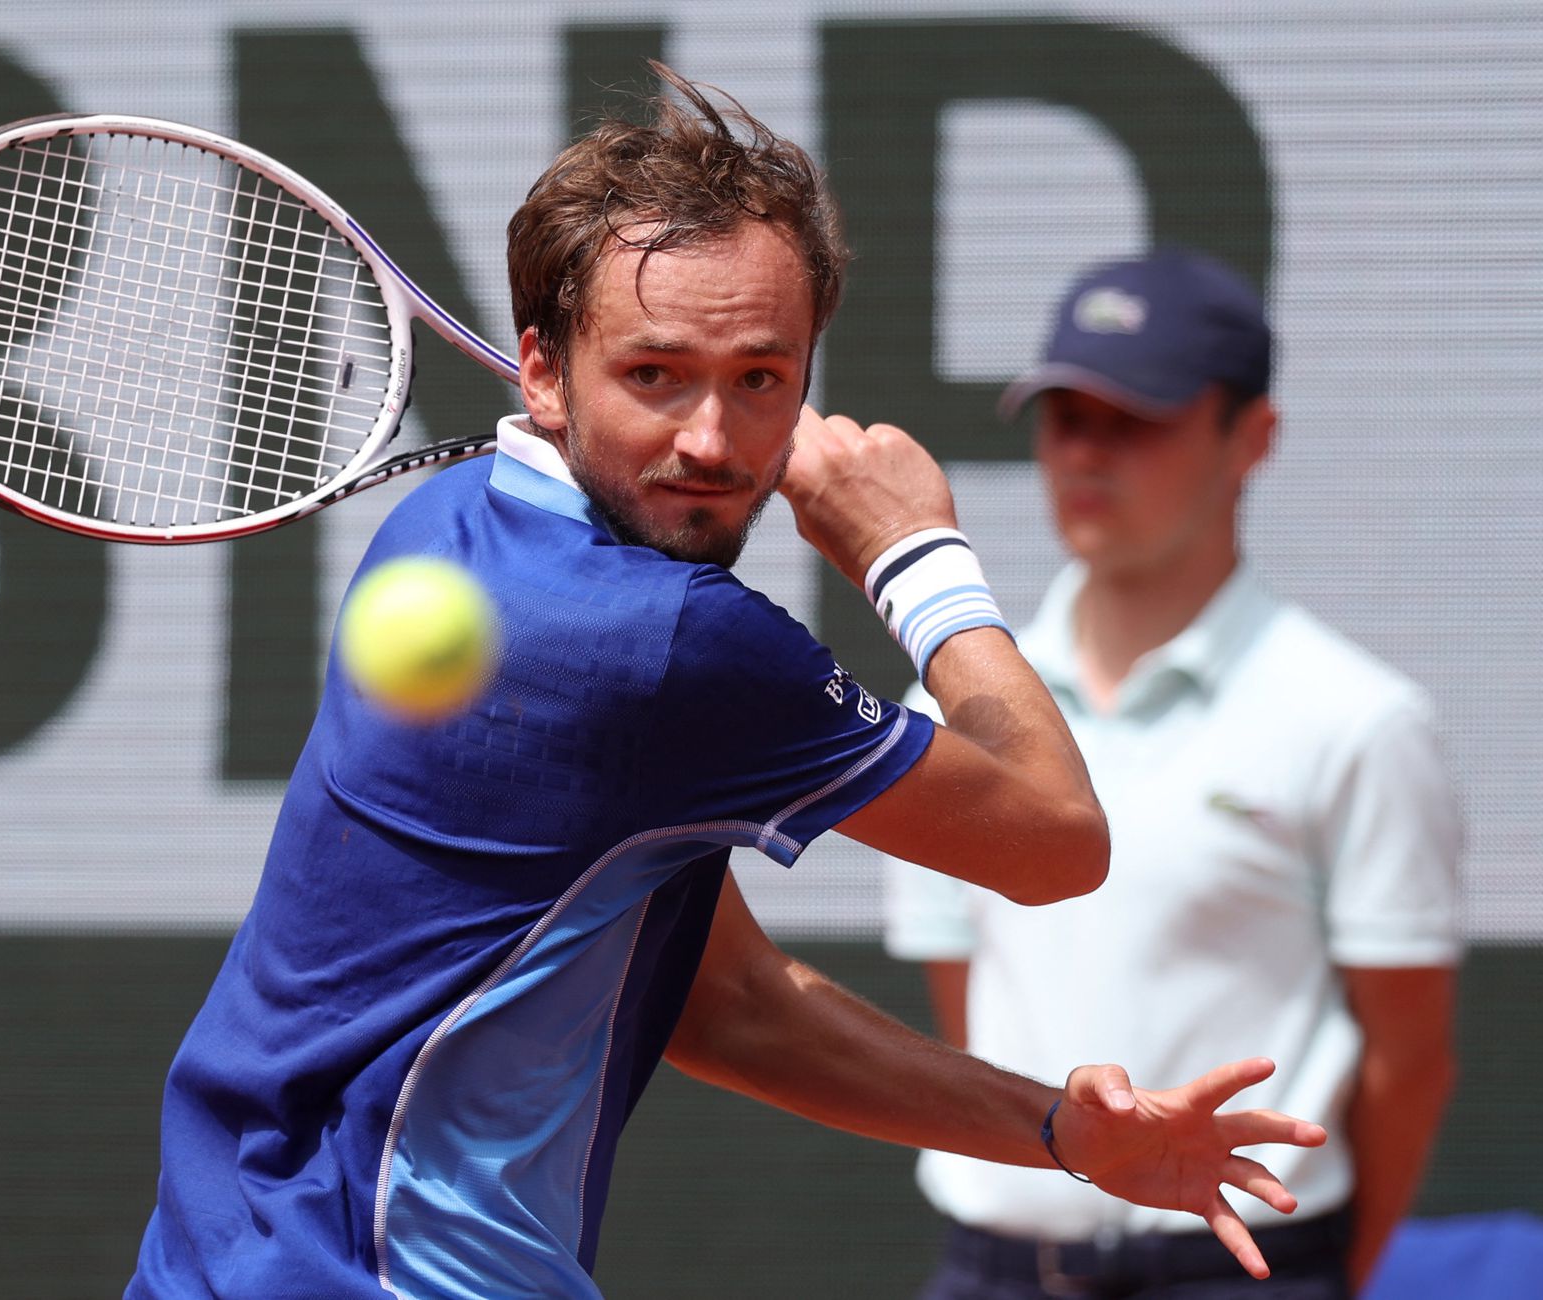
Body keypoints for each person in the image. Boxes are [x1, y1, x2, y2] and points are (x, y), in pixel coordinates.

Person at [127, 74, 1326, 1300]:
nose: (710, 439)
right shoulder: (664, 641)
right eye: (655, 372)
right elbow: (1056, 839)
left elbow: (730, 1004)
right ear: (542, 371)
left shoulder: (446, 525)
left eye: (760, 377)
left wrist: (1061, 1137)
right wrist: (916, 558)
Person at [884, 247, 1461, 1299]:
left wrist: (1319, 1276)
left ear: (1254, 437)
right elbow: (963, 1008)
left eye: (1136, 420)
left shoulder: (1361, 722)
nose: (1087, 455)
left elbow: (1409, 1059)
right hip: (993, 1271)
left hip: (1247, 1270)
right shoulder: (948, 712)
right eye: (1067, 418)